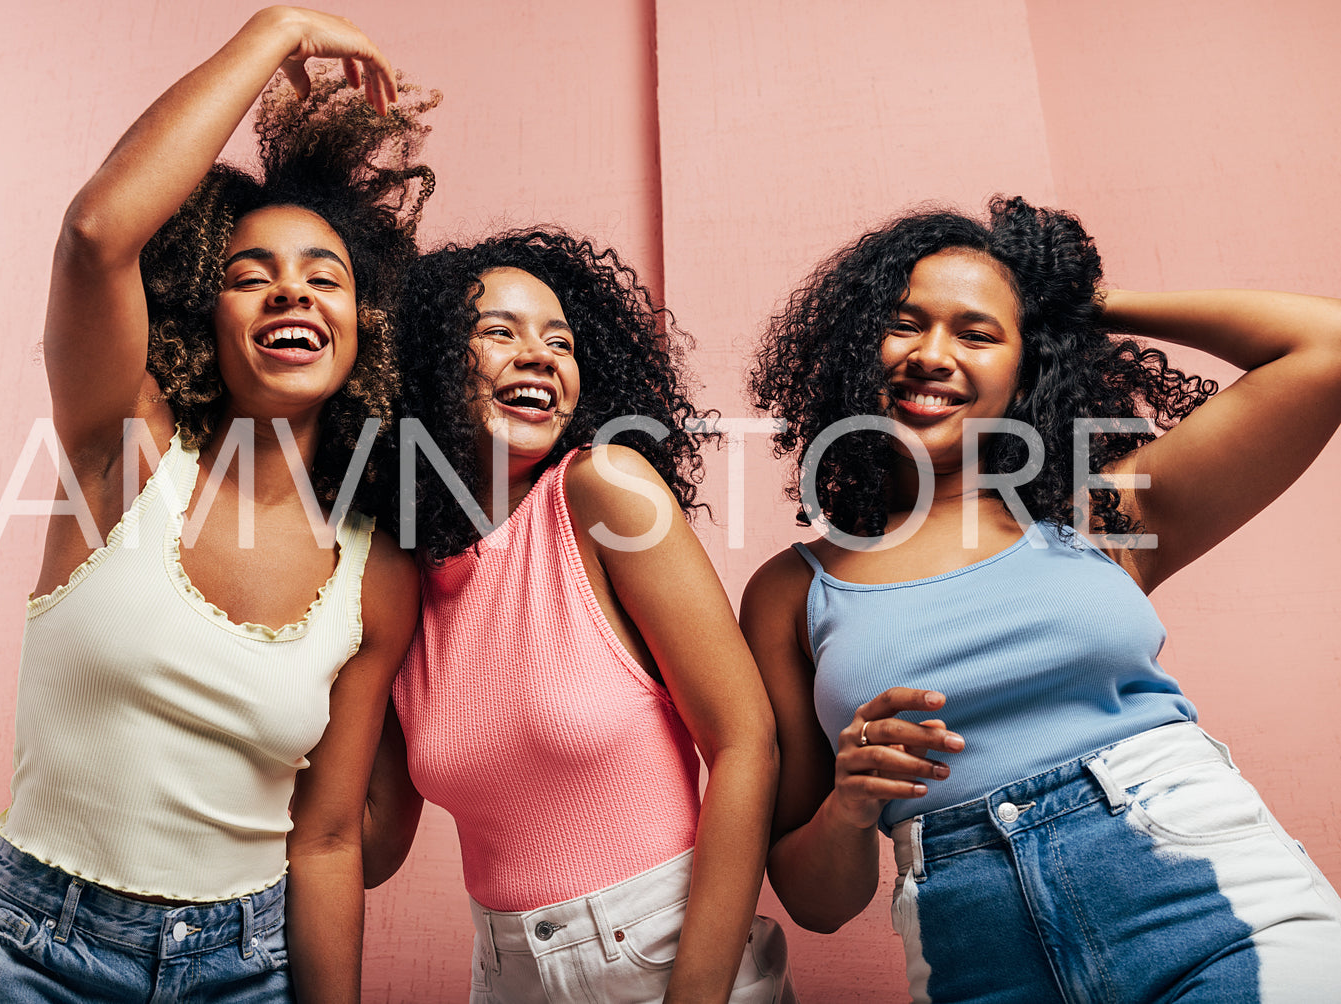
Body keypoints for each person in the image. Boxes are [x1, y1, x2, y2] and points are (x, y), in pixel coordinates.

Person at [0, 8, 433, 1002]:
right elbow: (98, 231)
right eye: (251, 276)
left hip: (244, 968)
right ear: (206, 314)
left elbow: (325, 840)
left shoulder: (376, 571)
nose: (291, 294)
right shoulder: (125, 451)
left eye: (323, 277)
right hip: (28, 950)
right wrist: (272, 32)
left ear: (363, 330)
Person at [742, 196, 1341, 1002]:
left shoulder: (1101, 510)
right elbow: (817, 903)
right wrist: (850, 807)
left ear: (1030, 363)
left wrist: (1079, 303)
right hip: (977, 956)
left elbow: (1323, 347)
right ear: (854, 344)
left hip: (1203, 903)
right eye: (903, 322)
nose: (931, 354)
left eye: (978, 332)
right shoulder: (791, 591)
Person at [381, 230, 794, 1003]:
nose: (538, 354)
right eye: (498, 331)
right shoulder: (395, 576)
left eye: (560, 340)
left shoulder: (604, 489)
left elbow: (747, 742)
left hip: (665, 954)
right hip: (501, 972)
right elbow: (365, 847)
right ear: (426, 367)